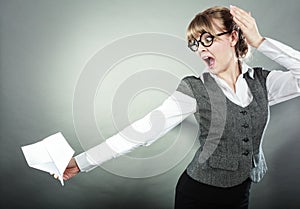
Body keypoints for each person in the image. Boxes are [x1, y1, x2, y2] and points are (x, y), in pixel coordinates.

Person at [59, 5, 300, 209]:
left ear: (233, 37)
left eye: (208, 38)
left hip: (239, 194)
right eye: (195, 43)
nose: (201, 48)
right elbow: (142, 131)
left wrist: (260, 41)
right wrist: (82, 162)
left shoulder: (263, 82)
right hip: (198, 194)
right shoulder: (194, 90)